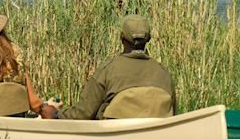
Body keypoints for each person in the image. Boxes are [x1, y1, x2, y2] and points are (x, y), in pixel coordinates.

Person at [33, 14, 176, 120]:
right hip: (154, 136)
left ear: (121, 38)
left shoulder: (108, 70)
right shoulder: (164, 73)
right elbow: (172, 113)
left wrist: (56, 115)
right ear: (148, 39)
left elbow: (83, 113)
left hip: (115, 136)